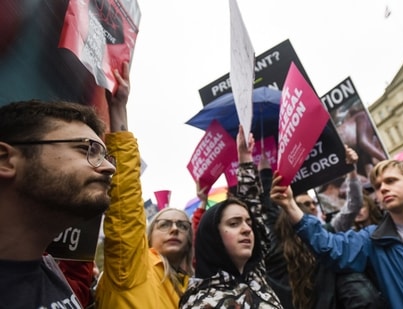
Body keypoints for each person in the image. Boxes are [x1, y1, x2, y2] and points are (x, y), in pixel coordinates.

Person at [271, 159, 403, 308]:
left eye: (390, 181)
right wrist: (290, 206)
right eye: (378, 186)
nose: (383, 189)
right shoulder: (373, 240)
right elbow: (329, 247)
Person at [95, 62, 193, 308]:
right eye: (165, 224)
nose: (175, 229)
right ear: (148, 235)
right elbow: (125, 211)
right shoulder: (134, 267)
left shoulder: (196, 290)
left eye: (182, 225)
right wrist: (119, 112)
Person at [0, 98, 115, 307]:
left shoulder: (51, 271)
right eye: (85, 149)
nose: (109, 167)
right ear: (5, 160)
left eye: (104, 155)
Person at [179, 126, 282, 308]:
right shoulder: (199, 302)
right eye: (234, 224)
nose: (247, 229)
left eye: (248, 223)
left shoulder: (256, 276)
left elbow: (253, 206)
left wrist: (244, 157)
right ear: (213, 237)